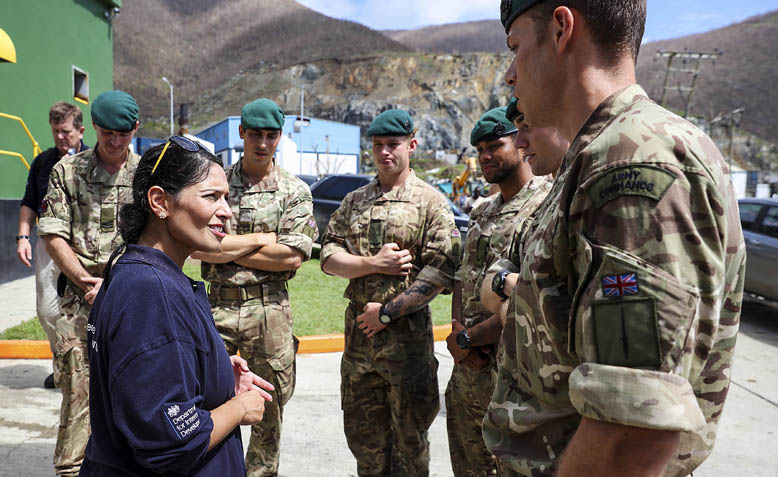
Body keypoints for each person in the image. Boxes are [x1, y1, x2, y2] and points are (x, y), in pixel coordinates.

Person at [478, 1, 747, 475]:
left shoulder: (633, 161)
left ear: (561, 28)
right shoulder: (595, 156)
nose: (509, 75)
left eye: (515, 47)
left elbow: (632, 429)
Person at [81, 136, 275, 475]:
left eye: (226, 198)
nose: (226, 212)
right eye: (211, 196)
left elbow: (140, 375)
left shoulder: (133, 270)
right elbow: (172, 442)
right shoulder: (152, 292)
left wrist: (207, 370)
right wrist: (240, 408)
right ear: (160, 202)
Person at [321, 109, 460, 476]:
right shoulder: (354, 202)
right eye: (378, 145)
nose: (385, 152)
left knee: (410, 447)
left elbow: (441, 270)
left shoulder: (430, 203)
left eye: (393, 145)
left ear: (411, 146)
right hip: (359, 351)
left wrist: (386, 312)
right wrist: (373, 264)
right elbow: (328, 257)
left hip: (407, 350)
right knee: (365, 445)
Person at [195, 98, 317, 477]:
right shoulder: (215, 184)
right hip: (218, 311)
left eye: (270, 136)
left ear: (279, 137)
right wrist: (264, 238)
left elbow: (293, 256)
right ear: (241, 133)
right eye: (255, 135)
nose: (262, 143)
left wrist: (228, 249)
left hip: (270, 316)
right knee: (208, 409)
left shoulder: (294, 191)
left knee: (269, 413)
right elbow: (200, 245)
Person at [37, 90, 142, 477]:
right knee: (78, 397)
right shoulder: (68, 172)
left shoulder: (146, 175)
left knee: (134, 396)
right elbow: (52, 234)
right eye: (106, 133)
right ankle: (71, 471)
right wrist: (84, 280)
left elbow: (157, 235)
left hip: (131, 301)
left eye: (123, 134)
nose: (115, 143)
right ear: (94, 128)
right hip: (80, 303)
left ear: (135, 128)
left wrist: (119, 286)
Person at [444, 105, 551, 477]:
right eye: (480, 150)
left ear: (520, 144)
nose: (485, 156)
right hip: (468, 376)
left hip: (513, 376)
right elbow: (463, 277)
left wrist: (470, 339)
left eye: (494, 145)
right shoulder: (481, 211)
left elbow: (532, 297)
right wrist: (458, 333)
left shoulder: (545, 206)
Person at [16, 101, 89, 389]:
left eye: (67, 131)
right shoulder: (42, 162)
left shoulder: (92, 160)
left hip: (83, 246)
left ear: (81, 130)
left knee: (87, 310)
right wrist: (23, 237)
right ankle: (60, 360)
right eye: (56, 131)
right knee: (48, 311)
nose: (61, 137)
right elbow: (29, 202)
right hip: (48, 245)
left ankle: (83, 368)